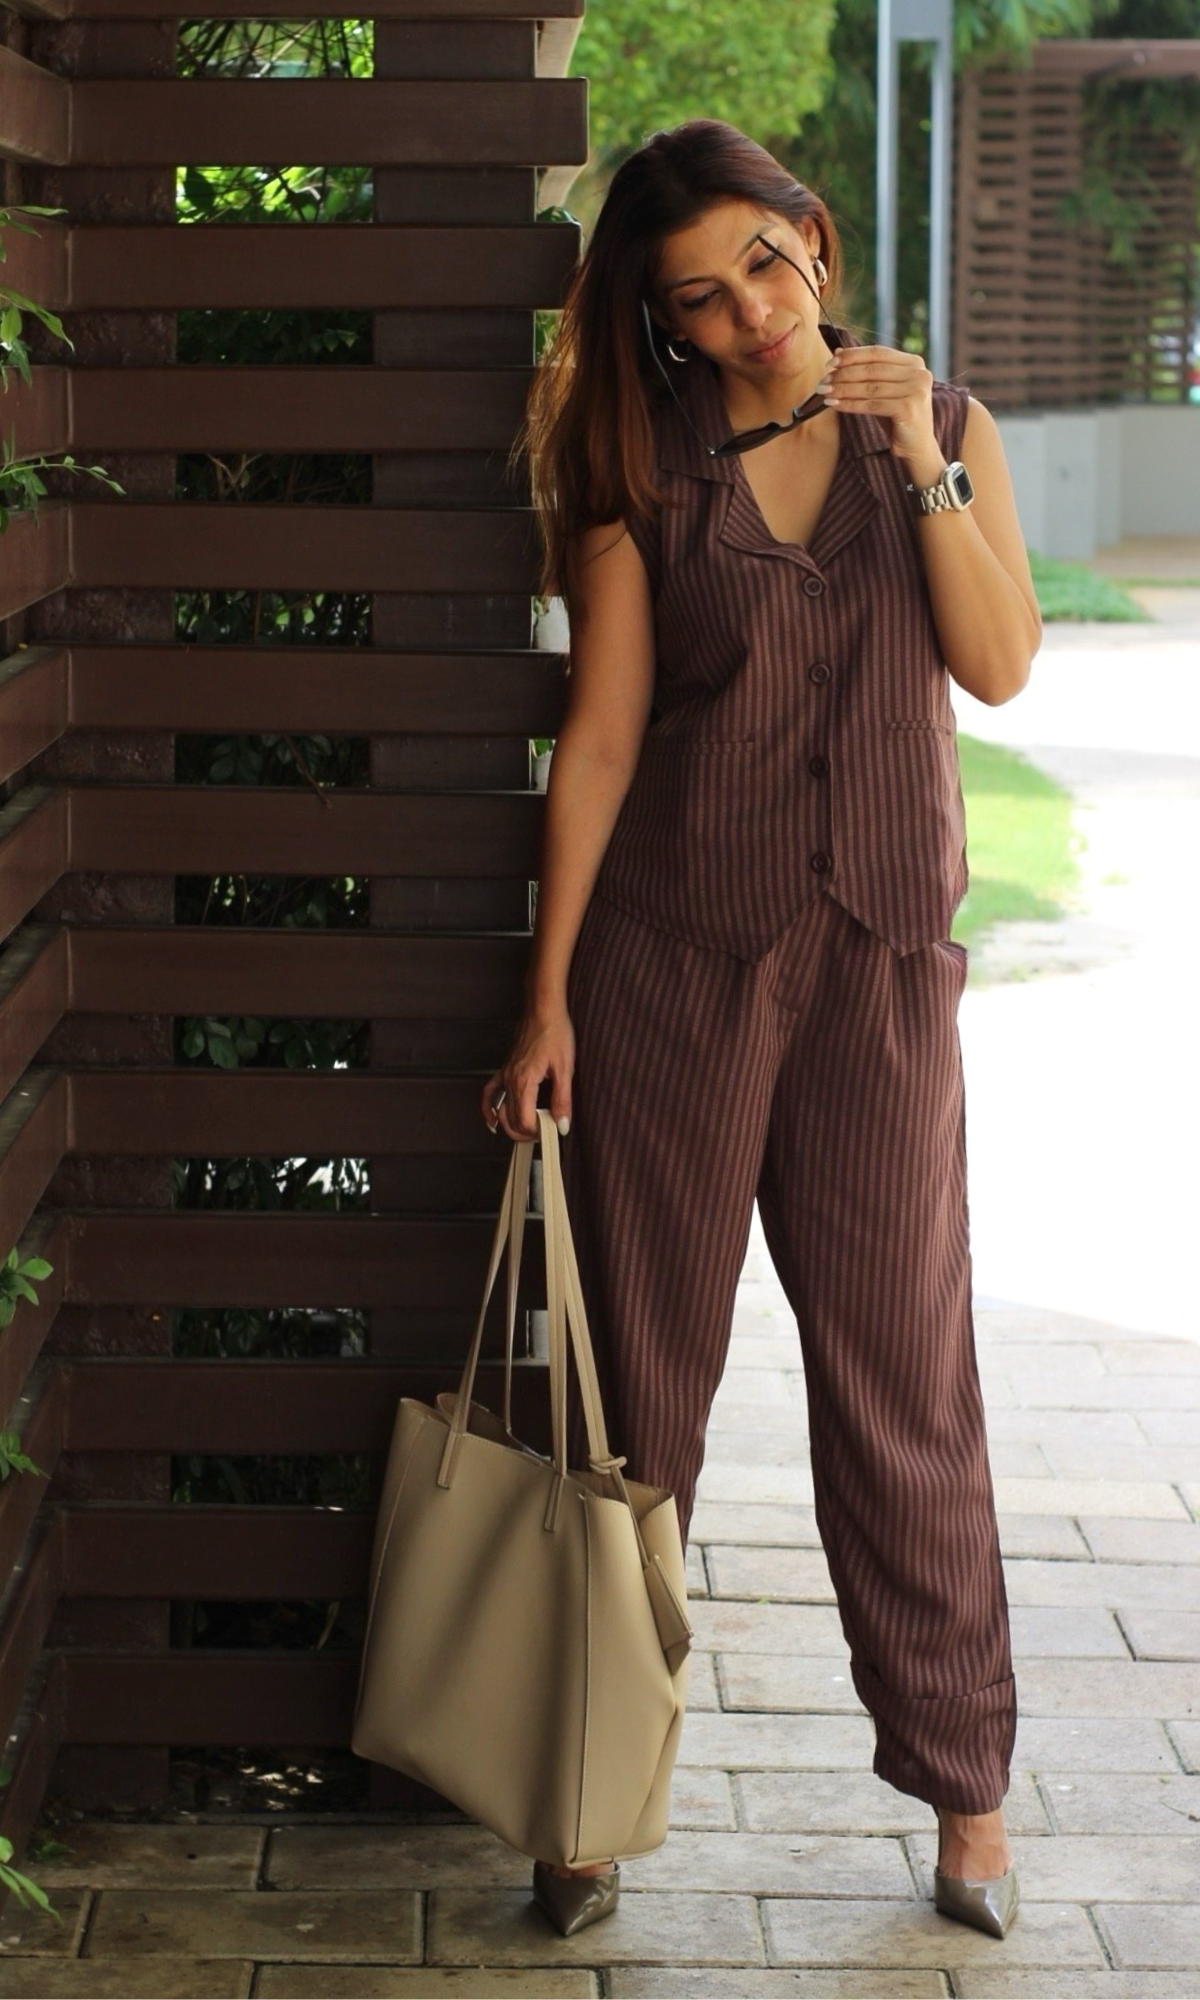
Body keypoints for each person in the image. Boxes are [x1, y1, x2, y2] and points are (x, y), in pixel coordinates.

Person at [482, 118, 1039, 1944]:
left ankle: (968, 1802)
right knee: (643, 1386)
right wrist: (551, 991)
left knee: (904, 1380)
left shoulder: (939, 432)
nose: (744, 319)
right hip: (677, 971)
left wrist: (919, 467)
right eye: (697, 301)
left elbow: (1000, 663)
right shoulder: (645, 462)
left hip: (880, 973)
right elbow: (608, 743)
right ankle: (585, 1791)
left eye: (764, 270)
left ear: (813, 235)